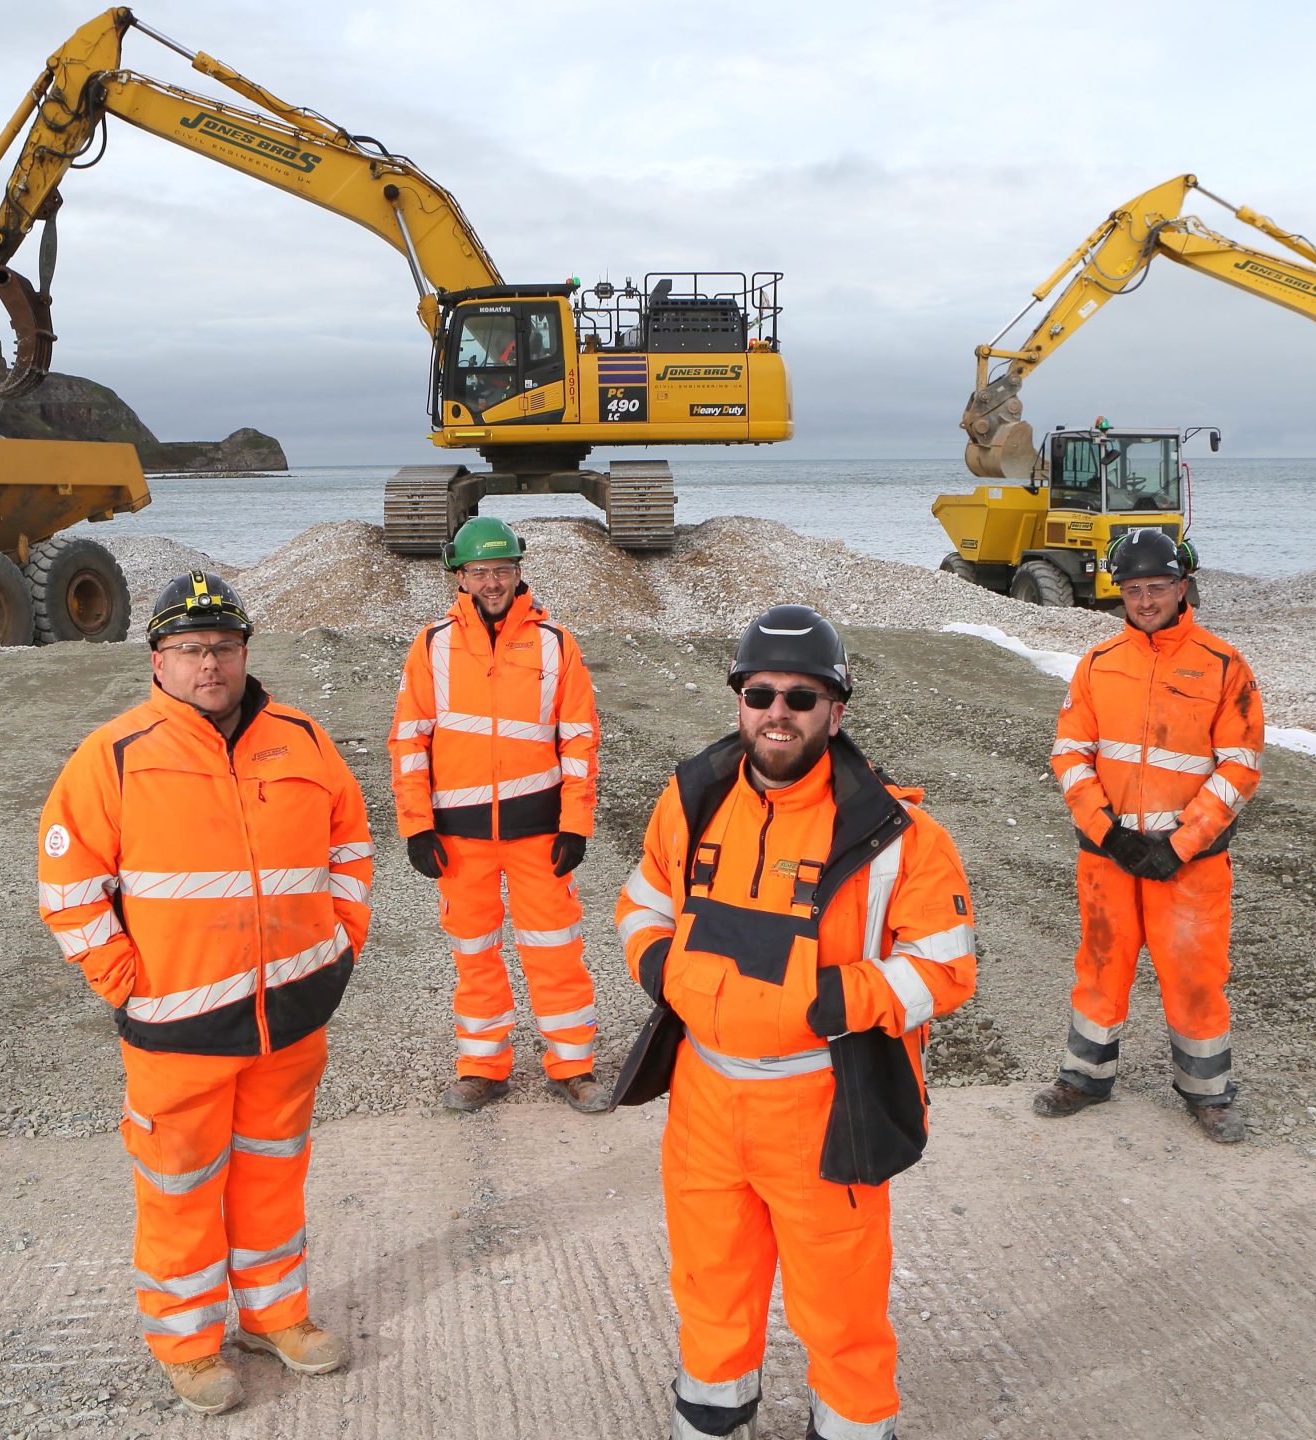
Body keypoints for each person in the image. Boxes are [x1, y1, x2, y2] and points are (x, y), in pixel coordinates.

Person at [615, 605, 977, 1440]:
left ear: (836, 710)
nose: (778, 711)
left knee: (840, 1310)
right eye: (760, 692)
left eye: (801, 697)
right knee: (709, 1289)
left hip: (823, 1109)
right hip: (704, 1104)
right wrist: (663, 970)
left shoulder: (899, 835)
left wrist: (822, 1002)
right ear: (739, 699)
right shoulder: (692, 800)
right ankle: (709, 1421)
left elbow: (945, 965)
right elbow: (641, 901)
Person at [37, 571, 374, 1416]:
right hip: (177, 1026)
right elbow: (67, 881)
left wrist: (339, 945)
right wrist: (124, 978)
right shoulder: (114, 754)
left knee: (272, 1175)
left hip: (292, 1016)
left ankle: (276, 1317)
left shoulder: (303, 739)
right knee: (180, 1189)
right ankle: (187, 1345)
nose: (209, 664)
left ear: (245, 651)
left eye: (223, 646)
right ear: (158, 659)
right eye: (190, 649)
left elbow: (350, 846)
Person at [1037, 529, 1264, 1143]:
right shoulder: (1097, 664)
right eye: (1133, 589)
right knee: (1101, 965)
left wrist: (1180, 845)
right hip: (1108, 857)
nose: (1144, 600)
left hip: (1188, 865)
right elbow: (1069, 754)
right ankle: (1084, 1078)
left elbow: (1240, 764)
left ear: (1182, 588)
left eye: (1156, 588)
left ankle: (1208, 1093)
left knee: (1194, 973)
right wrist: (1108, 834)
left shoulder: (1224, 664)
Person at [389, 516, 606, 1112]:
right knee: (474, 954)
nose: (492, 581)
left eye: (503, 569)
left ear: (519, 573)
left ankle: (574, 1066)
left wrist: (575, 823)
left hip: (538, 834)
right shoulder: (432, 644)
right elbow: (410, 739)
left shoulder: (555, 643)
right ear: (458, 575)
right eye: (480, 570)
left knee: (555, 949)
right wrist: (416, 826)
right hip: (460, 839)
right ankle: (482, 1067)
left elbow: (580, 739)